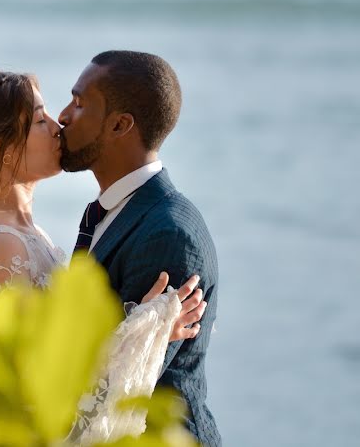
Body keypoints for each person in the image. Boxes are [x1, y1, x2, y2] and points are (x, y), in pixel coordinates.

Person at [0, 67, 207, 444]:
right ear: (0, 148)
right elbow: (40, 387)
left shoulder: (24, 232)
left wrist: (152, 332)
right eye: (38, 120)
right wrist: (146, 332)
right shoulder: (0, 245)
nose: (57, 124)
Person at [58, 51, 219, 446]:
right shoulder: (109, 212)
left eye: (79, 104)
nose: (63, 116)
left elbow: (127, 387)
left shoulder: (167, 234)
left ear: (119, 124)